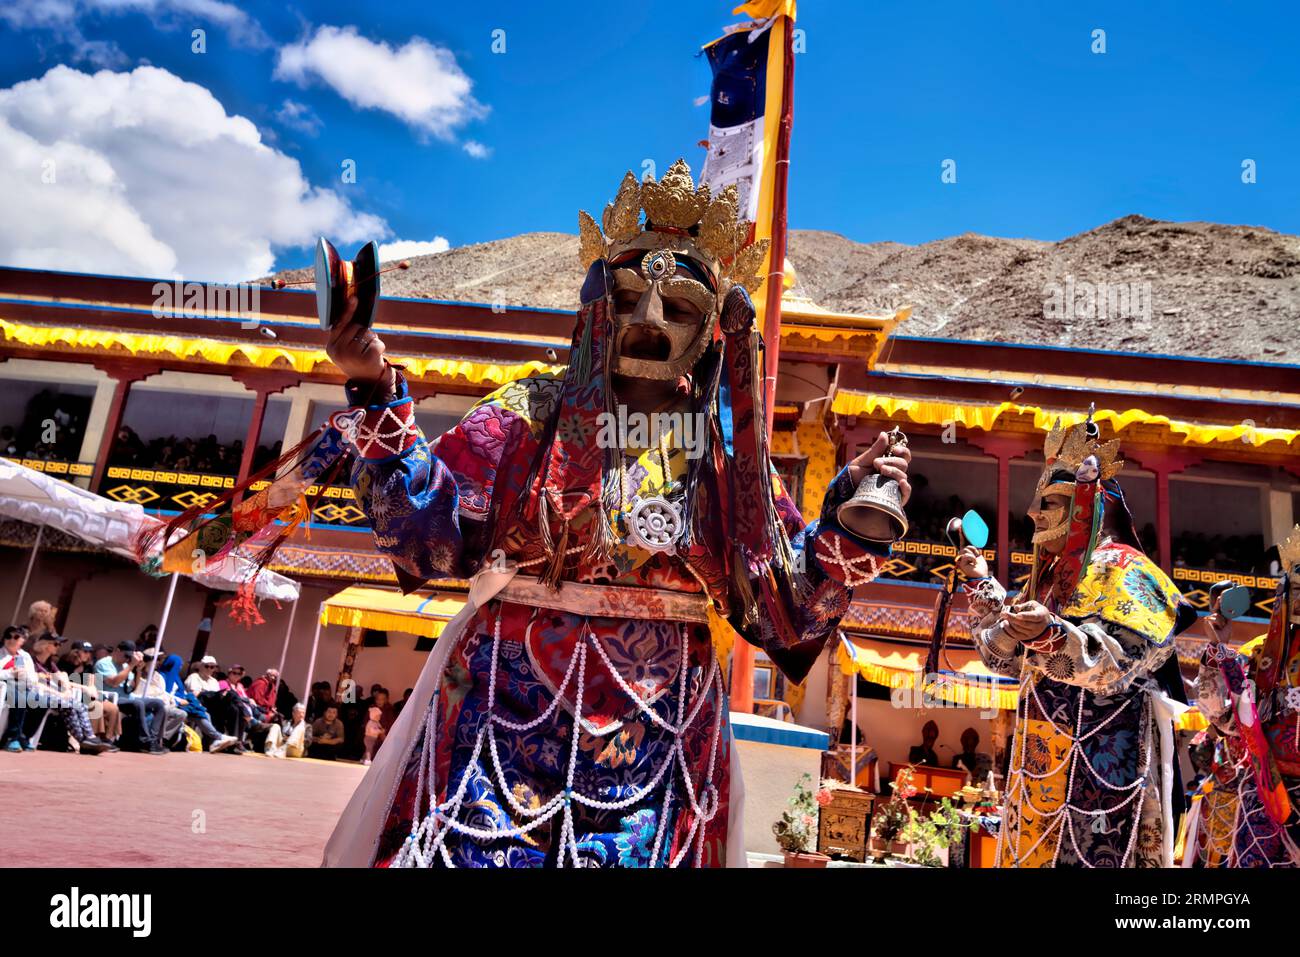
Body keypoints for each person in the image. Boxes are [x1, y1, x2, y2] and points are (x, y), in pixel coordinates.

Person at [957, 416, 1195, 867]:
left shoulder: (1131, 571)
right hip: (1038, 769)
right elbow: (1003, 659)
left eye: (1048, 502)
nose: (1033, 513)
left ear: (1086, 504)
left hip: (1105, 773)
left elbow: (1113, 665)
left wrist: (1050, 634)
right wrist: (982, 585)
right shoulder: (1050, 579)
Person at [1193, 535, 1300, 867]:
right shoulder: (1260, 651)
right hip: (1265, 788)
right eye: (1294, 588)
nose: (1299, 597)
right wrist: (1218, 652)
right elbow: (1221, 715)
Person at [27, 633, 112, 754]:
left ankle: (89, 738)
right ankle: (85, 741)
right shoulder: (32, 661)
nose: (59, 647)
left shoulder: (50, 663)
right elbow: (34, 683)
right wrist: (60, 692)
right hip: (36, 695)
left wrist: (66, 689)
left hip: (53, 695)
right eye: (56, 644)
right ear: (45, 646)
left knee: (78, 705)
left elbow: (63, 678)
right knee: (71, 705)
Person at [150, 653, 240, 753]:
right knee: (185, 713)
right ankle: (164, 740)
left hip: (186, 704)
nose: (210, 669)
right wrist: (178, 700)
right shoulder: (159, 676)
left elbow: (183, 692)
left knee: (206, 713)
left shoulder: (177, 678)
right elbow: (161, 693)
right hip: (170, 704)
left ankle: (215, 740)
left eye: (212, 667)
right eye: (207, 666)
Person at [94, 640, 168, 754]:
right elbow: (114, 682)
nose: (127, 658)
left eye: (130, 656)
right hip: (111, 698)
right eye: (126, 655)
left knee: (159, 704)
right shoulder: (103, 663)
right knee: (138, 704)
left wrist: (138, 670)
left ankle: (152, 740)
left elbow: (133, 687)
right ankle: (144, 740)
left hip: (127, 697)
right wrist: (131, 665)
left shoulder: (125, 665)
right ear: (117, 651)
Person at [58, 640, 122, 742]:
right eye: (85, 651)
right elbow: (62, 682)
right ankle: (93, 738)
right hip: (74, 696)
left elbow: (92, 684)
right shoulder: (64, 663)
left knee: (112, 708)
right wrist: (84, 688)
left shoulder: (88, 666)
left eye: (89, 652)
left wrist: (91, 689)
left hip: (88, 696)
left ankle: (107, 738)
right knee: (96, 706)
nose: (88, 654)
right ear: (75, 652)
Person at [1, 625, 40, 751]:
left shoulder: (25, 656)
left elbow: (33, 678)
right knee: (19, 696)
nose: (11, 639)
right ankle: (12, 738)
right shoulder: (1, 653)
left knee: (42, 700)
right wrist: (11, 673)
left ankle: (24, 736)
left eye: (16, 636)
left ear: (22, 640)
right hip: (5, 687)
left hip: (23, 686)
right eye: (8, 635)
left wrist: (24, 675)